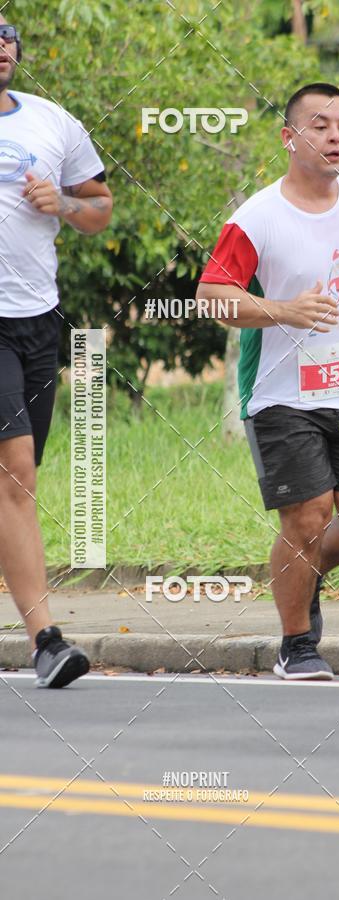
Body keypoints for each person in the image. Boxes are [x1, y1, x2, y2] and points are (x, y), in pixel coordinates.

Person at [197, 82, 339, 680]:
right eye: (320, 126)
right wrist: (285, 310)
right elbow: (212, 296)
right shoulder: (257, 217)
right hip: (277, 392)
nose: (336, 135)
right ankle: (297, 645)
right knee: (308, 515)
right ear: (290, 138)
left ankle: (302, 571)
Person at [0, 18, 113, 687]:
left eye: (8, 36)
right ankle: (47, 641)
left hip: (37, 320)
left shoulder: (53, 122)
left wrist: (62, 202)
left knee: (16, 482)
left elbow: (100, 207)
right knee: (14, 472)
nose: (2, 45)